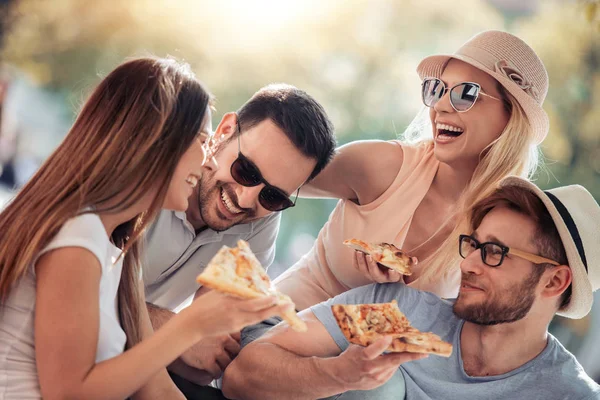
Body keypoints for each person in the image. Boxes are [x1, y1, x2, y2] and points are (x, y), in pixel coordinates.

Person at [0, 57, 291, 399]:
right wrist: (190, 325)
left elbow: (149, 381)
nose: (208, 159)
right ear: (155, 141)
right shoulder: (78, 237)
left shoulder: (117, 244)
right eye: (201, 140)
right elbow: (69, 394)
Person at [223, 177, 600, 400]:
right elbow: (242, 374)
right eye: (473, 245)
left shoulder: (568, 394)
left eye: (495, 253)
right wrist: (339, 375)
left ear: (554, 281)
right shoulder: (394, 314)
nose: (467, 264)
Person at [274, 30, 550, 310]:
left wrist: (393, 297)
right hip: (273, 324)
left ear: (510, 118)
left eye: (466, 93)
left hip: (360, 355)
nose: (440, 106)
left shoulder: (500, 234)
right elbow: (267, 175)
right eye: (437, 89)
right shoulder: (384, 166)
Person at [142, 84, 336, 387]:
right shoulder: (146, 161)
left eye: (273, 196)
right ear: (225, 130)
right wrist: (176, 331)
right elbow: (64, 287)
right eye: (246, 170)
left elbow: (206, 358)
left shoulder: (262, 222)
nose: (246, 200)